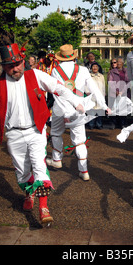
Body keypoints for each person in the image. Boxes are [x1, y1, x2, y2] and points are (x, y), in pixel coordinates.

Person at [0, 43, 84, 224]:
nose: (16, 69)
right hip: (13, 134)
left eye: (18, 64)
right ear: (4, 67)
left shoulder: (35, 75)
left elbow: (58, 88)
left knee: (39, 166)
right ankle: (30, 194)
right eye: (11, 66)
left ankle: (43, 208)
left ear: (23, 61)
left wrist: (75, 101)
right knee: (22, 173)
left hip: (36, 130)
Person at [47, 44, 110, 181]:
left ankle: (57, 159)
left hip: (60, 109)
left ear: (61, 58)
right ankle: (84, 171)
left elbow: (56, 92)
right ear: (74, 57)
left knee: (56, 133)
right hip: (79, 107)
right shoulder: (83, 70)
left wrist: (65, 112)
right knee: (80, 140)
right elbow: (94, 89)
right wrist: (105, 106)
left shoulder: (55, 70)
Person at [107, 57, 130, 128]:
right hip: (114, 93)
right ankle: (113, 123)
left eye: (120, 62)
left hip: (124, 92)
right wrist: (116, 92)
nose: (119, 63)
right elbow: (110, 82)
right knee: (113, 108)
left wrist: (122, 91)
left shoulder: (126, 71)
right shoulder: (112, 71)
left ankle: (122, 123)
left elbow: (129, 82)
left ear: (123, 63)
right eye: (117, 62)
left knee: (123, 108)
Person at [87, 62, 105, 129]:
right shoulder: (88, 76)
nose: (95, 68)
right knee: (91, 111)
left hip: (99, 96)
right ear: (91, 68)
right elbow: (85, 85)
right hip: (91, 96)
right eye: (93, 66)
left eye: (96, 66)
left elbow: (103, 86)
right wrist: (87, 92)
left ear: (98, 68)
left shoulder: (101, 76)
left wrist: (103, 95)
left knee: (99, 111)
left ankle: (99, 124)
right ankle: (91, 124)